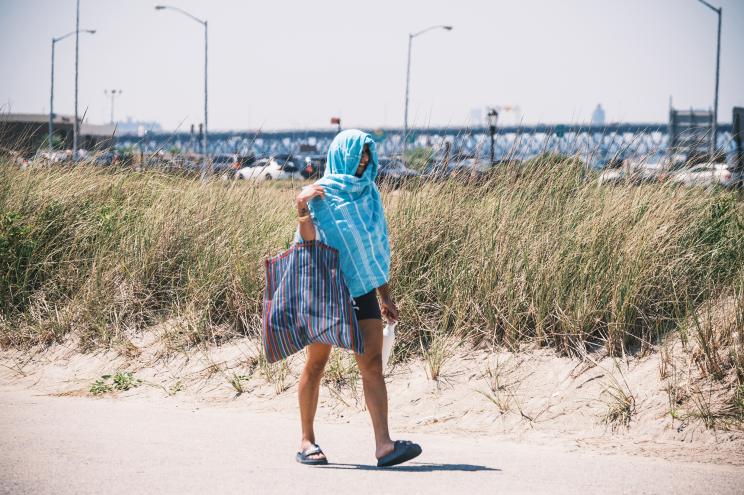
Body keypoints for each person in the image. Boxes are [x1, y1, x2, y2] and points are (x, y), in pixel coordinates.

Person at [292, 129, 422, 468]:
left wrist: (386, 295)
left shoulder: (369, 195)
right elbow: (307, 242)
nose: (363, 164)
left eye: (367, 158)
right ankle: (307, 440)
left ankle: (384, 446)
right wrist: (302, 208)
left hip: (363, 289)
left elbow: (375, 248)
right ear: (342, 157)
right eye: (358, 157)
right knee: (317, 364)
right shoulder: (320, 193)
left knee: (373, 365)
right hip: (327, 291)